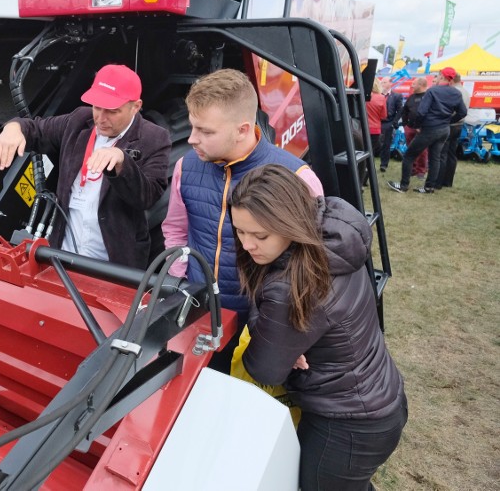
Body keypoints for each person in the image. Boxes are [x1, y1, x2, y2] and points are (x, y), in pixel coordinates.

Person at [231, 164, 407, 491]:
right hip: (379, 395)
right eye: (240, 231)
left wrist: (272, 332)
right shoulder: (332, 239)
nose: (247, 245)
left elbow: (264, 369)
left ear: (290, 224)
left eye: (260, 235)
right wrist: (286, 338)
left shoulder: (289, 287)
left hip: (348, 426)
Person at [162, 68, 323, 324]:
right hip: (196, 307)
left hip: (260, 318)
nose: (192, 139)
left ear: (242, 129)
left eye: (206, 131)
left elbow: (310, 260)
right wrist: (178, 281)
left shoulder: (299, 178)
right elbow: (175, 230)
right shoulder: (186, 166)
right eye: (193, 127)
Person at [0, 64, 170, 269]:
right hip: (64, 254)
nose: (101, 118)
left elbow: (149, 196)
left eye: (112, 111)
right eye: (96, 107)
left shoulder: (154, 138)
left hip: (113, 263)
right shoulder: (78, 120)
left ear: (136, 106)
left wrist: (122, 164)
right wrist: (14, 127)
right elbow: (36, 128)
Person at [388, 66, 466, 194]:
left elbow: (421, 111)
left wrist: (418, 126)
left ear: (442, 76)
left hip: (430, 128)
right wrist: (448, 121)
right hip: (444, 129)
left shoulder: (433, 91)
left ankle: (403, 185)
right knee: (435, 158)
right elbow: (462, 112)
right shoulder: (456, 93)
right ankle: (429, 187)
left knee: (409, 155)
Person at [438, 73, 469, 188]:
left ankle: (439, 181)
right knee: (451, 154)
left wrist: (448, 120)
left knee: (443, 153)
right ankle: (448, 181)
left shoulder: (454, 92)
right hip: (459, 125)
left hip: (451, 124)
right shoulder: (465, 91)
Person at [400, 77, 429, 179]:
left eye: (414, 84)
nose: (412, 86)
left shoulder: (428, 96)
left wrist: (422, 126)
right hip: (410, 127)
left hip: (422, 129)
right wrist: (404, 124)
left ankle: (421, 170)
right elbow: (405, 111)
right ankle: (413, 169)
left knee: (422, 150)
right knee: (410, 150)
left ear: (420, 85)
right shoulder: (411, 97)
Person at [378, 77, 404, 172]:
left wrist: (394, 122)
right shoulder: (377, 95)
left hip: (388, 122)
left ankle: (383, 164)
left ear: (390, 83)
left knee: (386, 144)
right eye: (381, 82)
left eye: (384, 82)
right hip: (377, 122)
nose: (382, 84)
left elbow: (400, 110)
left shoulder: (396, 96)